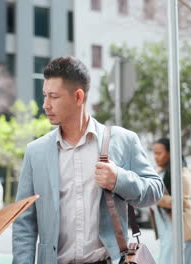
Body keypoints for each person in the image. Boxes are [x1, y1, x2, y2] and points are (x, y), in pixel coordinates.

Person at [12, 56, 163, 264]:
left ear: (78, 97)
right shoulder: (35, 152)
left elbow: (155, 190)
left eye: (53, 97)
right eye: (45, 95)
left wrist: (119, 179)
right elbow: (24, 222)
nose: (45, 104)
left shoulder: (123, 140)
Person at [152, 137, 191, 264]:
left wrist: (156, 197)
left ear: (170, 153)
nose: (156, 157)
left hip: (185, 227)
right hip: (167, 227)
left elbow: (183, 202)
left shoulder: (182, 172)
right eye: (154, 153)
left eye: (159, 153)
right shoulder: (159, 172)